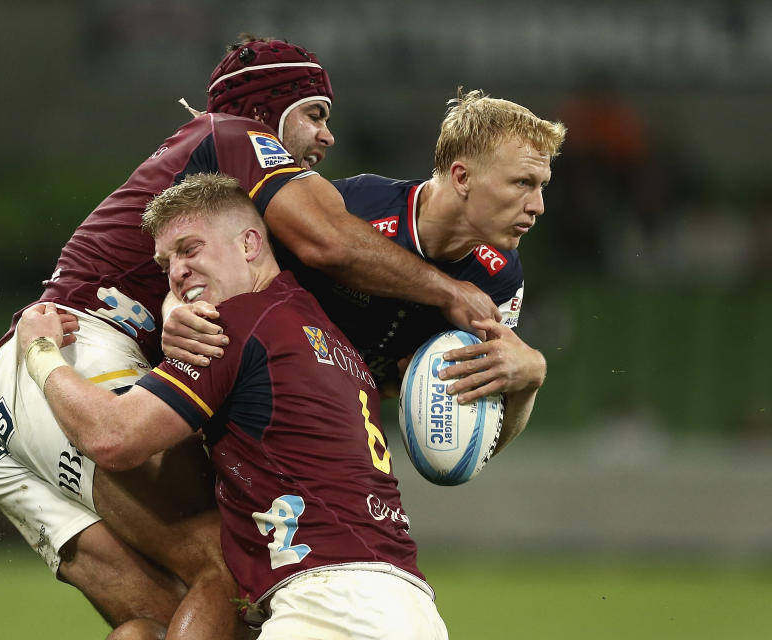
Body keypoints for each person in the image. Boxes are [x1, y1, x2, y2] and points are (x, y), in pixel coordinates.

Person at [0, 35, 498, 639]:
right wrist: (449, 290)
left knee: (162, 624)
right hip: (70, 357)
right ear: (268, 110)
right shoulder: (235, 135)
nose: (327, 137)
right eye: (315, 114)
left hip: (0, 419)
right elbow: (331, 241)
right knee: (230, 566)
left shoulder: (204, 203)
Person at [16, 173, 450, 639]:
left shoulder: (234, 326)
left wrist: (39, 352)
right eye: (166, 263)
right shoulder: (324, 335)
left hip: (333, 605)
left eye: (190, 248)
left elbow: (114, 437)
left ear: (249, 244)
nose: (176, 271)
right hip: (404, 606)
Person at [164, 89, 567, 455]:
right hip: (233, 407)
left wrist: (530, 379)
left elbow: (471, 450)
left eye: (542, 186)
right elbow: (217, 261)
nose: (538, 205)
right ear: (462, 177)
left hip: (328, 435)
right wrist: (173, 311)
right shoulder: (355, 206)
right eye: (522, 183)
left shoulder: (500, 278)